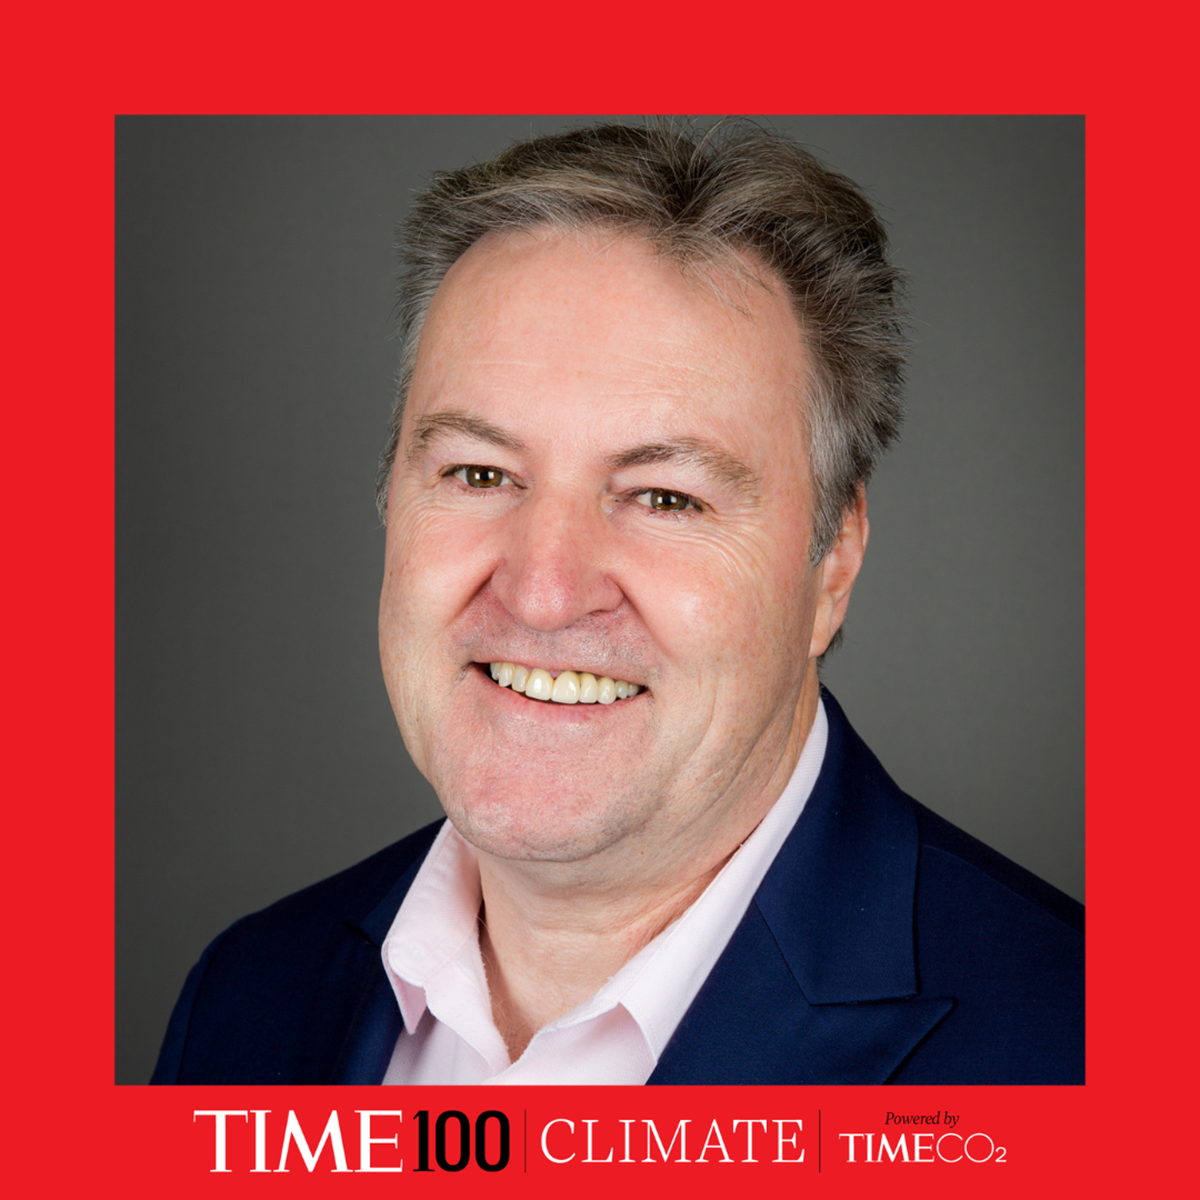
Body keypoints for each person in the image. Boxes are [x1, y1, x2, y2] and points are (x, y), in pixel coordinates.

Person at [151, 121, 1083, 1086]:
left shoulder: (1086, 1056)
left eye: (666, 497)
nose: (544, 591)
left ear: (832, 562)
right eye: (479, 472)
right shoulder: (248, 1000)